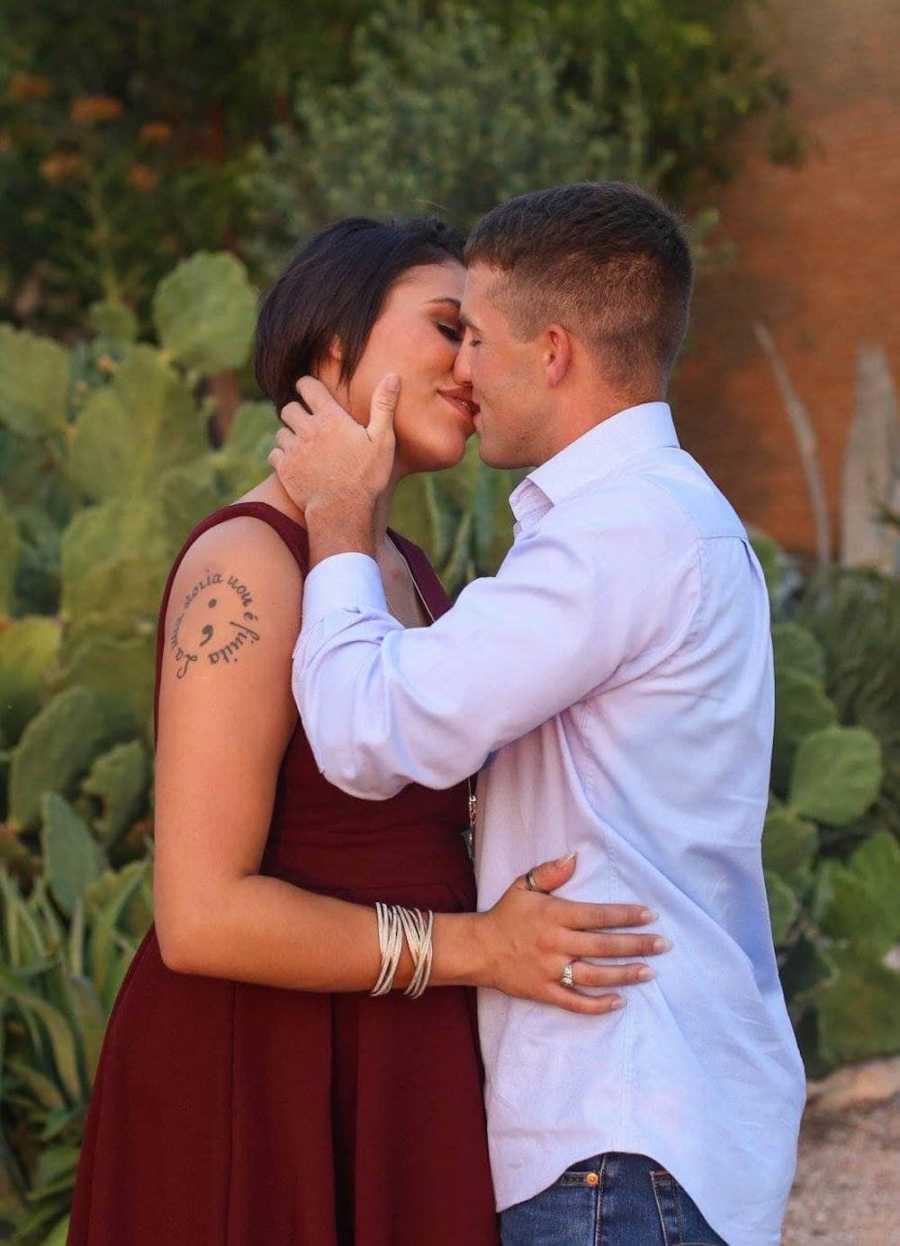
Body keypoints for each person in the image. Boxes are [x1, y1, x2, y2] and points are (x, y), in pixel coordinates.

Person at [67, 216, 667, 1246]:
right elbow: (201, 914)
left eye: (483, 337)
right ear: (335, 347)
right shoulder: (247, 566)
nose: (473, 364)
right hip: (258, 1068)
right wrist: (476, 947)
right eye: (448, 327)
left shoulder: (407, 575)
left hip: (401, 1059)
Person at [269, 183, 808, 1246]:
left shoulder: (616, 535)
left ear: (552, 351)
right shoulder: (666, 517)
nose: (460, 369)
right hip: (647, 1128)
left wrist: (338, 527)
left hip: (615, 1132)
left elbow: (368, 737)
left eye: (473, 335)